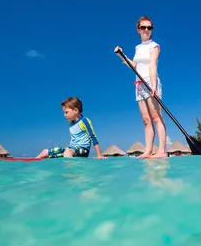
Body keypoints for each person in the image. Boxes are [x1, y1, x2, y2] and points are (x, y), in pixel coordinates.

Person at [114, 15, 167, 159]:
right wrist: (122, 55)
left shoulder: (154, 46)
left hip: (150, 81)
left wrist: (153, 85)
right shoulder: (138, 48)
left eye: (149, 27)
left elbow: (152, 65)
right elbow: (134, 66)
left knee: (156, 116)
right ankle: (148, 150)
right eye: (143, 27)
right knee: (146, 120)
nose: (146, 30)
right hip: (138, 84)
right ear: (138, 30)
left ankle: (162, 150)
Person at [36, 97, 105, 159]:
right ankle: (33, 162)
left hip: (83, 150)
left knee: (67, 152)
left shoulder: (84, 121)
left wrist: (99, 155)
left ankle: (70, 172)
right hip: (71, 149)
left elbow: (93, 137)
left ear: (75, 110)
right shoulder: (71, 123)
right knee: (45, 152)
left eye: (66, 112)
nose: (64, 115)